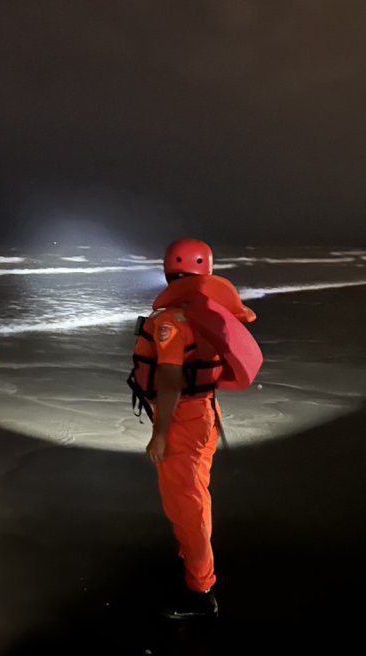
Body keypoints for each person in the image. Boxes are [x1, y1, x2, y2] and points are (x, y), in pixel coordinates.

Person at [127, 238, 262, 619]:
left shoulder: (171, 320)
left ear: (170, 271)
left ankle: (201, 592)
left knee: (187, 505)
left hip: (184, 419)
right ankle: (193, 562)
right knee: (194, 498)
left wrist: (160, 433)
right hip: (206, 414)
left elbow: (170, 380)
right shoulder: (209, 314)